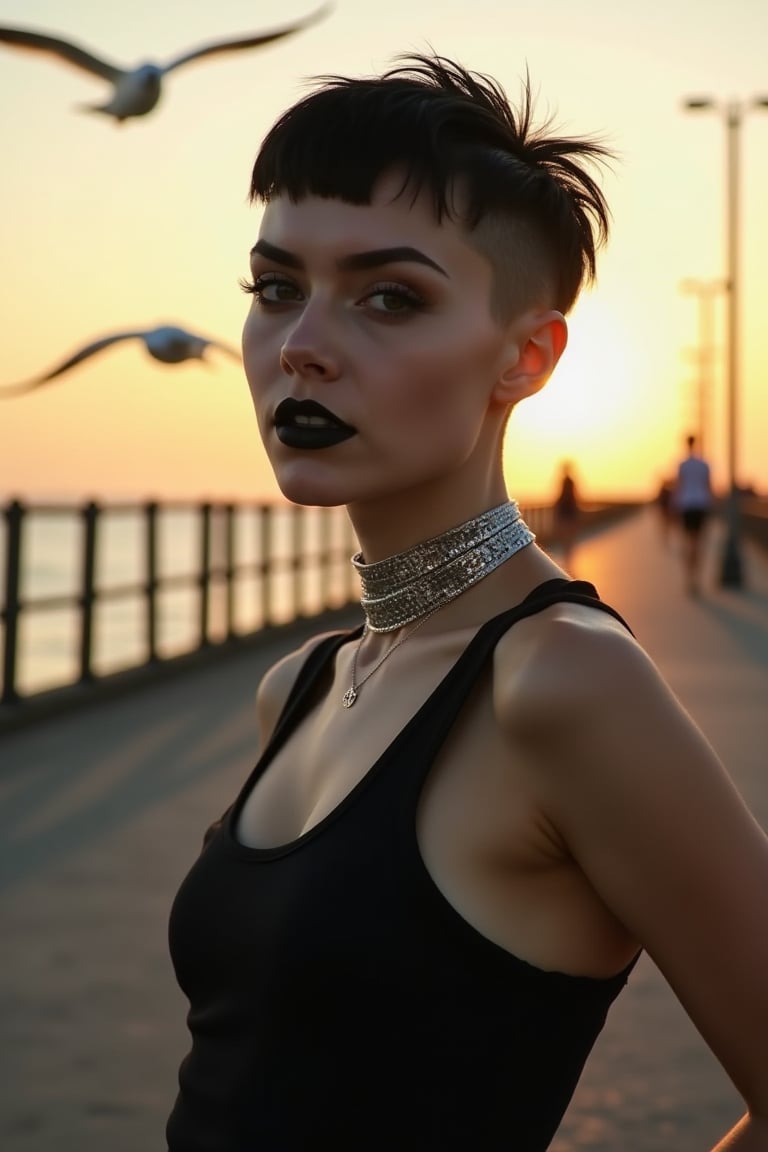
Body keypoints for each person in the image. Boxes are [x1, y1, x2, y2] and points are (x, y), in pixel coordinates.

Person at [165, 55, 768, 1151]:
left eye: (389, 297)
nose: (301, 346)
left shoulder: (565, 685)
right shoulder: (299, 687)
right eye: (277, 288)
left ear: (525, 356)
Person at [673, 432, 714, 595]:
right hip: (701, 504)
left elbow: (679, 486)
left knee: (687, 542)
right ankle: (697, 579)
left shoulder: (682, 465)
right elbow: (709, 486)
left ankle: (689, 579)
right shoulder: (704, 464)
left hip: (686, 504)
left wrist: (674, 507)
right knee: (698, 543)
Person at [552, 458, 581, 566]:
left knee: (565, 538)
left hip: (565, 511)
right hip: (569, 511)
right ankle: (568, 558)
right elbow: (576, 497)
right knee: (569, 538)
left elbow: (561, 496)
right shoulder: (570, 481)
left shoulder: (565, 481)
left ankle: (567, 558)